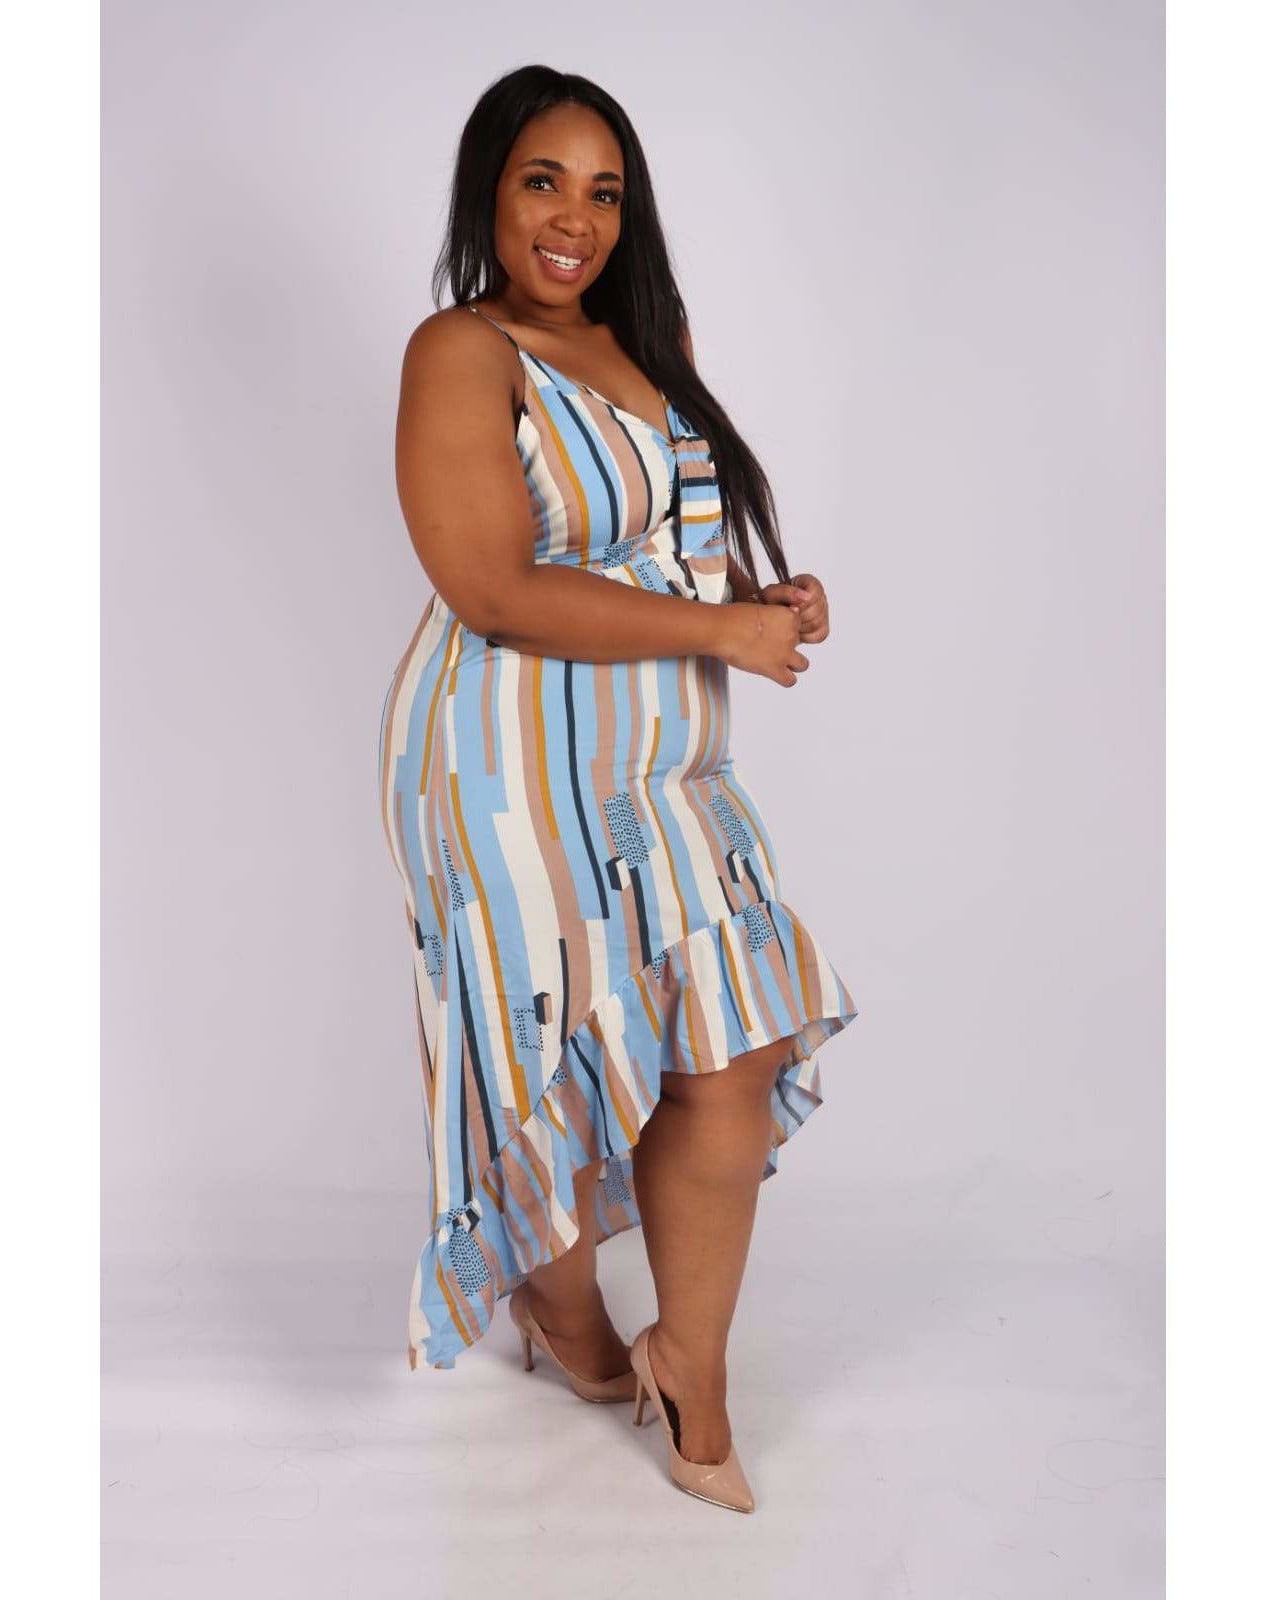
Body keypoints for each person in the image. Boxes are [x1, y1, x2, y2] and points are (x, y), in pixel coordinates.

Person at [376, 64, 859, 1512]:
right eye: (543, 181)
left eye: (604, 191)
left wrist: (761, 599)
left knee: (727, 1049)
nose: (574, 218)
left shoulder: (654, 342)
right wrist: (722, 634)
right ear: (488, 189)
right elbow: (493, 586)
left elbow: (670, 549)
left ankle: (691, 1363)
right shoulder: (462, 351)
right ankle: (568, 1314)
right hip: (508, 764)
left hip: (668, 764)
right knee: (555, 1066)